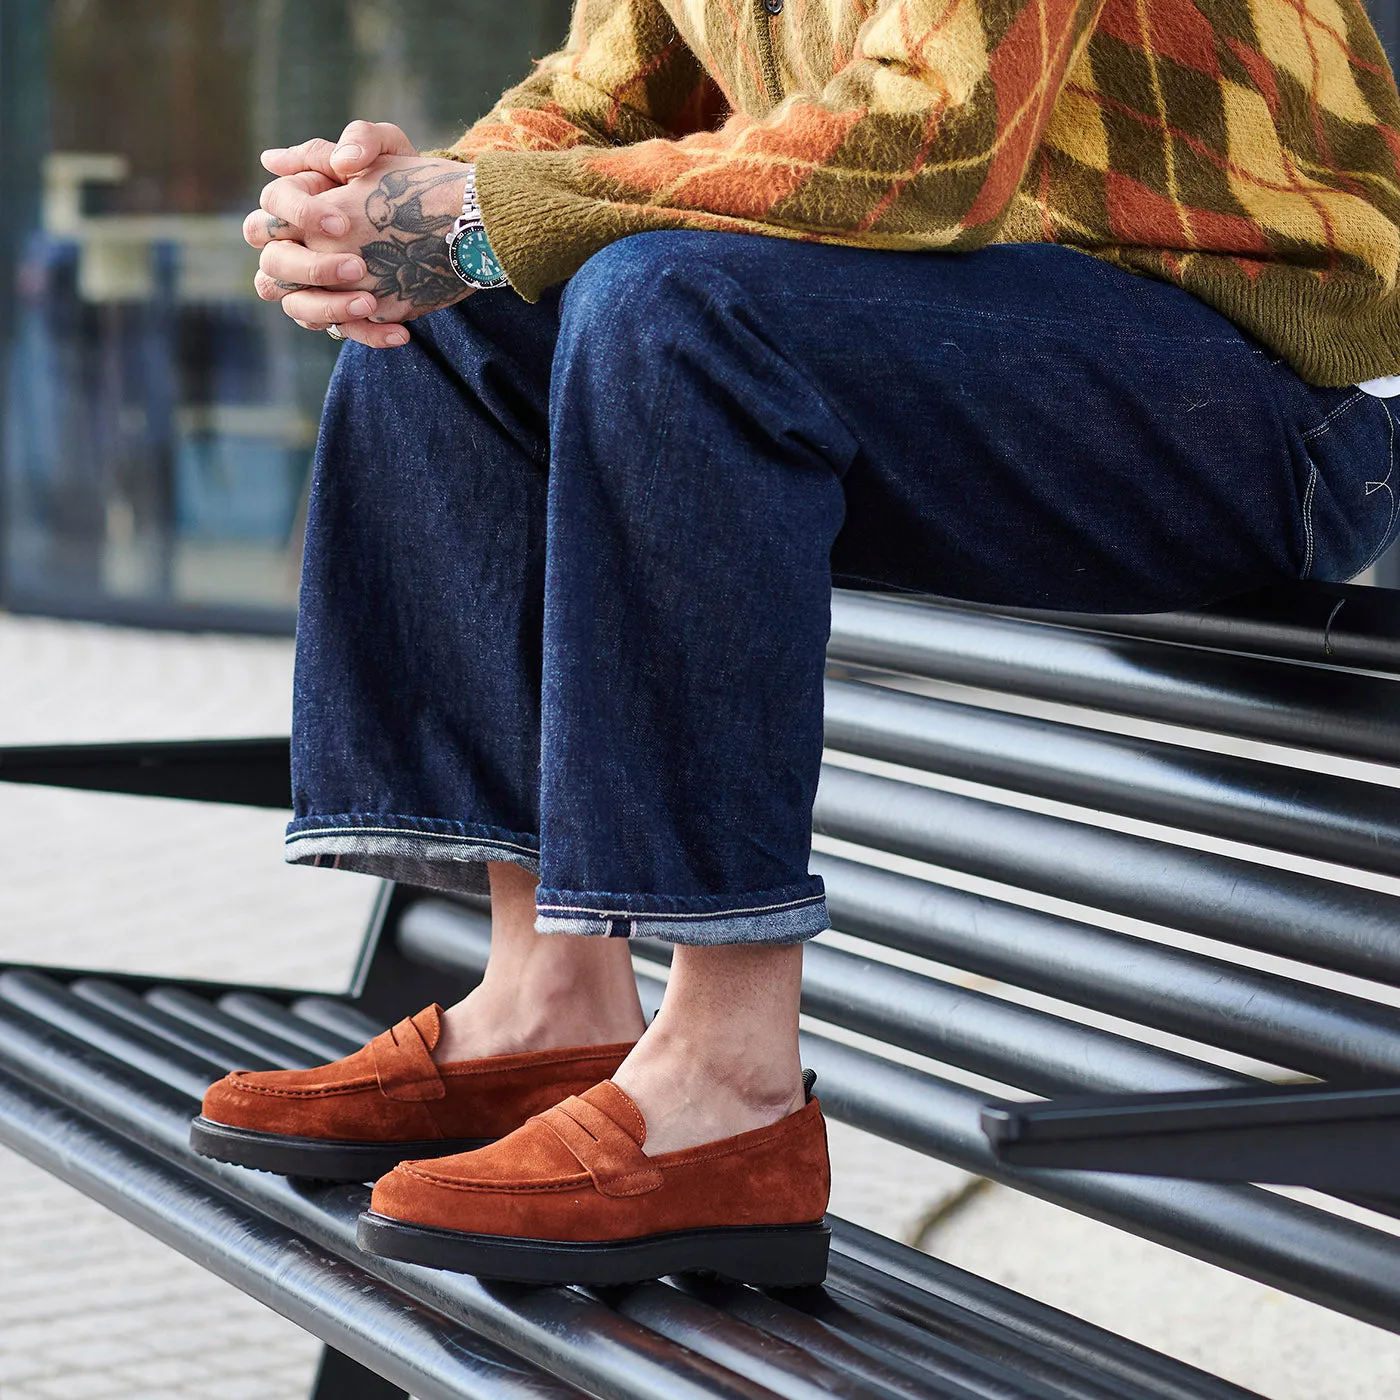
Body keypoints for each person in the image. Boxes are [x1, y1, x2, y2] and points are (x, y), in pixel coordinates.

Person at [191, 0, 1400, 1287]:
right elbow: (598, 101)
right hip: (966, 334)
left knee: (665, 305)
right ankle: (550, 1003)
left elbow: (922, 145)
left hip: (1259, 377)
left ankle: (729, 1081)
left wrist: (474, 212)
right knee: (444, 308)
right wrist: (382, 214)